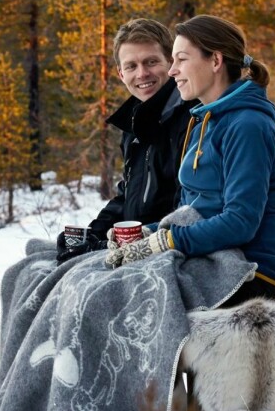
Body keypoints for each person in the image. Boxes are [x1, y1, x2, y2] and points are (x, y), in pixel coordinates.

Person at [121, 15, 275, 301]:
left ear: (215, 61)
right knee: (93, 275)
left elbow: (240, 222)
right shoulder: (203, 123)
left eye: (181, 59)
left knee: (120, 292)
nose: (172, 71)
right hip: (210, 259)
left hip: (247, 272)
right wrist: (145, 234)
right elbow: (194, 209)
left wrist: (168, 241)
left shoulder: (247, 125)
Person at [55, 17, 189, 262]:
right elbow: (128, 196)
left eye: (151, 62)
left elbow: (191, 206)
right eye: (131, 66)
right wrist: (93, 234)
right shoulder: (133, 125)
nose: (142, 73)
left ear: (170, 63)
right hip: (135, 249)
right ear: (120, 73)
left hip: (174, 248)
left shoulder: (191, 117)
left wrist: (147, 239)